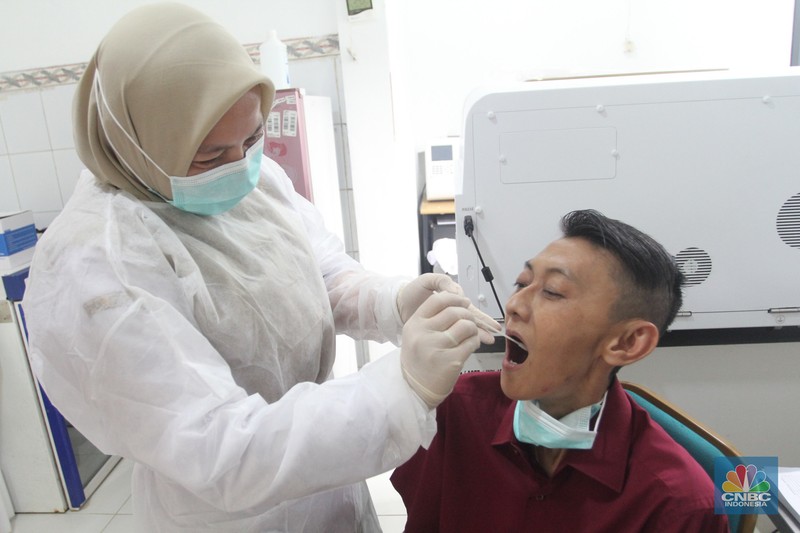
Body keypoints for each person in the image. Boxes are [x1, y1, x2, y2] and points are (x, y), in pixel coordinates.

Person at [21, 3, 499, 532]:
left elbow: (319, 275)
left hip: (324, 479)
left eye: (251, 138)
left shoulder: (255, 177)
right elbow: (219, 449)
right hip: (224, 512)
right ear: (138, 144)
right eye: (209, 155)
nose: (239, 165)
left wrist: (393, 301)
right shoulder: (98, 262)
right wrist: (401, 387)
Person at [391, 209, 729, 532]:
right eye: (522, 284)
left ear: (627, 342)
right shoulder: (454, 411)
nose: (514, 305)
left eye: (552, 292)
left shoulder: (679, 505)